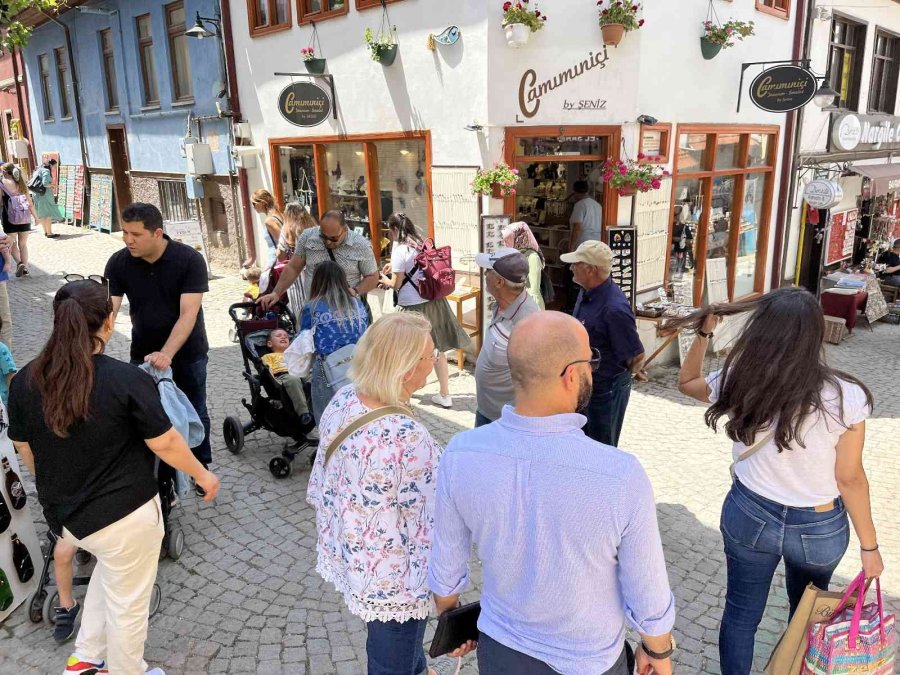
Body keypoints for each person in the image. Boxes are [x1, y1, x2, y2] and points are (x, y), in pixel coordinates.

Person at [429, 311, 676, 675]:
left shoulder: (461, 453)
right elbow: (648, 590)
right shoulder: (620, 474)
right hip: (589, 659)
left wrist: (452, 619)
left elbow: (446, 570)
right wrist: (658, 652)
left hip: (501, 650)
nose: (592, 370)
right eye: (590, 361)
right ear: (572, 374)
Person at [7, 279, 220, 675]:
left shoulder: (23, 382)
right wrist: (204, 475)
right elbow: (167, 442)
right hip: (126, 517)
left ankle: (86, 656)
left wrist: (57, 483)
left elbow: (24, 448)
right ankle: (126, 670)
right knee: (129, 606)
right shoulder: (126, 379)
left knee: (111, 572)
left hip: (68, 519)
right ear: (108, 322)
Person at [674, 288, 884, 675]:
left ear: (761, 329)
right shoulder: (846, 396)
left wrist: (704, 334)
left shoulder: (739, 378)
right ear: (814, 335)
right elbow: (850, 478)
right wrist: (869, 547)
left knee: (740, 615)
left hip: (749, 513)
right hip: (818, 526)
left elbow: (688, 382)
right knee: (806, 615)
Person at [307, 312, 470, 675]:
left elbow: (322, 478)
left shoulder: (345, 398)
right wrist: (448, 601)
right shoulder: (408, 436)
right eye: (432, 354)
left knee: (397, 654)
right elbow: (430, 529)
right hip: (395, 581)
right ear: (407, 369)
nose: (437, 358)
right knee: (391, 662)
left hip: (358, 558)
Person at [104, 203, 213, 494]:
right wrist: (92, 347)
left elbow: (188, 313)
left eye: (136, 234)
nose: (128, 240)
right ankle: (157, 473)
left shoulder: (189, 260)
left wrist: (167, 353)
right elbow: (109, 313)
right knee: (145, 415)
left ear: (157, 233)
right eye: (125, 232)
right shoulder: (118, 263)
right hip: (141, 352)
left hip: (187, 353)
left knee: (194, 408)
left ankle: (200, 469)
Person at [380, 213, 472, 409]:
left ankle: (401, 395)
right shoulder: (421, 244)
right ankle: (445, 394)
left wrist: (383, 280)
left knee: (404, 352)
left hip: (412, 308)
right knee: (437, 349)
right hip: (435, 304)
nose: (389, 233)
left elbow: (396, 284)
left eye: (389, 229)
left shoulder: (399, 250)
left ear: (395, 229)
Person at [561, 241, 645, 447]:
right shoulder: (587, 291)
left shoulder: (614, 308)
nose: (571, 267)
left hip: (605, 390)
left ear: (590, 269)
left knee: (601, 446)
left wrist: (628, 374)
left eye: (576, 263)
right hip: (585, 386)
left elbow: (636, 356)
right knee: (581, 443)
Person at [258, 210, 379, 323]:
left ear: (345, 230)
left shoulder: (360, 245)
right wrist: (276, 293)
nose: (328, 242)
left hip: (348, 314)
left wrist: (355, 291)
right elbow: (293, 267)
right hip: (315, 312)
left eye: (333, 238)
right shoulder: (308, 237)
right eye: (323, 236)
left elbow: (372, 276)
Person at [473, 247, 541, 427]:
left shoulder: (526, 321)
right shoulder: (502, 305)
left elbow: (533, 379)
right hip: (488, 410)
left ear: (499, 282)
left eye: (487, 271)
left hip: (503, 420)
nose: (485, 275)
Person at [300, 261, 368, 422]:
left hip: (327, 370)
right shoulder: (357, 304)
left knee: (327, 417)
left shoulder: (312, 307)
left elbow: (303, 341)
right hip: (357, 365)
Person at [277, 203, 316, 321]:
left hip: (297, 275)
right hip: (315, 272)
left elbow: (280, 255)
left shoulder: (287, 230)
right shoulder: (314, 227)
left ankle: (301, 333)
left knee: (300, 309)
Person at [261, 328, 310, 417]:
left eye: (286, 337)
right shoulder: (268, 356)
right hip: (283, 376)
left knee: (313, 377)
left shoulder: (293, 354)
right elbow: (267, 369)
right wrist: (274, 380)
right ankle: (303, 412)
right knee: (293, 379)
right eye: (279, 336)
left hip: (298, 373)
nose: (283, 337)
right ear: (269, 343)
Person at [0, 162, 36, 278]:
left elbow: (0, 203)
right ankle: (25, 268)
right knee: (23, 244)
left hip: (9, 218)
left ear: (4, 172)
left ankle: (19, 262)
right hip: (24, 218)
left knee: (12, 242)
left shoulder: (1, 184)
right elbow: (30, 203)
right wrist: (36, 217)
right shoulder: (21, 183)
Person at [501, 221, 545, 309]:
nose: (505, 244)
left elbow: (534, 291)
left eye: (508, 240)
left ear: (518, 238)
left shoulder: (532, 257)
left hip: (530, 307)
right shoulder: (517, 255)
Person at [30, 158, 62, 239]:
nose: (54, 168)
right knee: (48, 214)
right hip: (44, 195)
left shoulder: (38, 169)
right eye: (54, 166)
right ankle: (50, 233)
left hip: (37, 194)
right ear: (50, 165)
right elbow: (45, 184)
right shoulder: (46, 171)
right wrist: (53, 185)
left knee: (42, 214)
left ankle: (46, 232)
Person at [251, 188, 283, 268]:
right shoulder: (278, 215)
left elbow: (283, 242)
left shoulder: (269, 221)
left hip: (276, 261)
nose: (253, 206)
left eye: (254, 203)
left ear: (262, 203)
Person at [569, 180, 601, 250]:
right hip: (597, 241)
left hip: (584, 242)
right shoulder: (597, 205)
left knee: (582, 261)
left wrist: (571, 246)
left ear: (575, 192)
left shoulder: (580, 205)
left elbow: (577, 228)